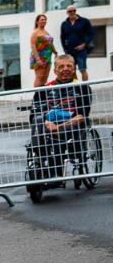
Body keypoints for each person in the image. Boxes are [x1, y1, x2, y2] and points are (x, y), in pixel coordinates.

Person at [26, 54, 94, 183]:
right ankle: (41, 163)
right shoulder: (44, 89)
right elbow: (34, 114)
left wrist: (59, 127)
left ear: (74, 69)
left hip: (71, 126)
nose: (65, 69)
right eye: (61, 66)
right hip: (47, 126)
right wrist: (48, 124)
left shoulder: (82, 88)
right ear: (55, 70)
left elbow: (82, 116)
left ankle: (55, 174)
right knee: (39, 121)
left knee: (58, 134)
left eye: (69, 66)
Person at [61, 6, 94, 81]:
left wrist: (84, 44)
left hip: (81, 51)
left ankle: (85, 88)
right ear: (67, 13)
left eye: (74, 10)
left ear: (76, 11)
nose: (72, 12)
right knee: (71, 71)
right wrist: (65, 49)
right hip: (69, 51)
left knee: (82, 69)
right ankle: (75, 88)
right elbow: (62, 37)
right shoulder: (64, 24)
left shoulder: (84, 21)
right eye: (70, 11)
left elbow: (91, 34)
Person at [28, 14, 55, 87]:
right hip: (39, 57)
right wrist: (38, 59)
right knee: (39, 77)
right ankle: (37, 96)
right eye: (42, 19)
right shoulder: (35, 32)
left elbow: (50, 44)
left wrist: (55, 52)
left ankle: (42, 96)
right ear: (37, 22)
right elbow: (33, 46)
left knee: (45, 78)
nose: (44, 21)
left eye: (45, 19)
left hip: (48, 57)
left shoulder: (46, 32)